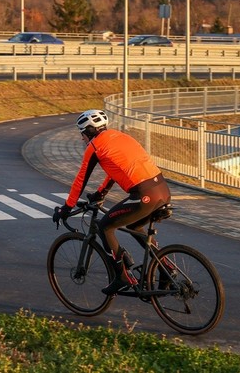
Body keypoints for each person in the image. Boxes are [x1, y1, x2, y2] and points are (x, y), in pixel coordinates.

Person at [52, 109, 172, 295]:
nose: (83, 139)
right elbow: (116, 170)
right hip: (163, 190)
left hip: (144, 195)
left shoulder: (95, 147)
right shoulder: (120, 137)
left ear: (89, 131)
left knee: (105, 227)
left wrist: (67, 208)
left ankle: (122, 277)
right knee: (134, 226)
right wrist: (101, 193)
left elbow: (80, 180)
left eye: (82, 134)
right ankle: (166, 268)